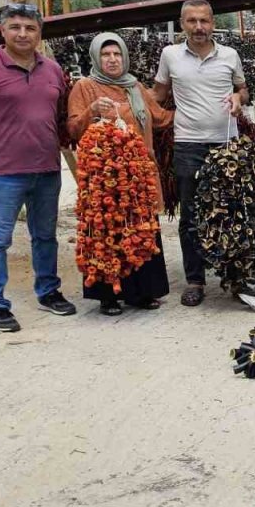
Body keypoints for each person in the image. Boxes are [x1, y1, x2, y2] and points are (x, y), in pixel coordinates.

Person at [0, 3, 77, 332]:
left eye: (30, 28)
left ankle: (48, 291)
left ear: (39, 33)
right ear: (2, 31)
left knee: (45, 236)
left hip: (46, 168)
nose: (23, 33)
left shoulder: (52, 70)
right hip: (4, 172)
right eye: (15, 27)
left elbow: (58, 116)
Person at [67, 32, 175, 316]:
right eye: (106, 54)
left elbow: (161, 118)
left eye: (116, 54)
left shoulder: (135, 87)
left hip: (138, 177)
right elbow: (73, 130)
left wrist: (203, 108)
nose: (112, 59)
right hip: (105, 178)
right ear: (96, 57)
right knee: (107, 231)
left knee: (141, 229)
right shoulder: (85, 87)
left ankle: (142, 292)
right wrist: (92, 110)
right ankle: (108, 296)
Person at [152, 0, 248, 307]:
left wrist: (238, 98)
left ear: (213, 23)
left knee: (230, 210)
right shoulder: (170, 55)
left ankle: (232, 275)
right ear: (182, 25)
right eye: (192, 21)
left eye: (204, 21)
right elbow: (158, 96)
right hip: (189, 144)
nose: (198, 27)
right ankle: (195, 280)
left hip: (226, 143)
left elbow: (243, 89)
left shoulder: (230, 55)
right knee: (191, 215)